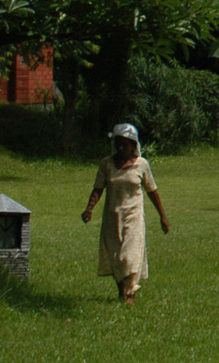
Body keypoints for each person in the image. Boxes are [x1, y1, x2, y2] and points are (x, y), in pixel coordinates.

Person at [81, 123, 170, 303]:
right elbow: (98, 188)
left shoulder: (142, 165)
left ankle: (130, 294)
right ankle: (123, 291)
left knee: (129, 255)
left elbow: (152, 190)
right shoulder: (106, 164)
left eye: (125, 144)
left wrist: (163, 216)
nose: (121, 148)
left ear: (133, 145)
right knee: (116, 257)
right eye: (118, 143)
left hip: (133, 216)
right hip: (112, 216)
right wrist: (89, 208)